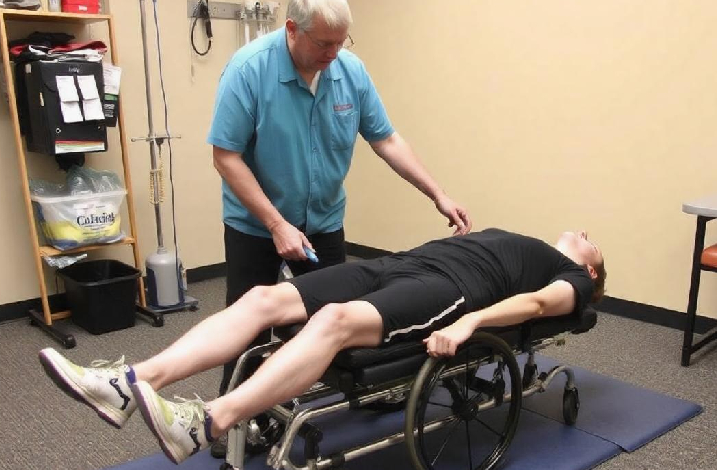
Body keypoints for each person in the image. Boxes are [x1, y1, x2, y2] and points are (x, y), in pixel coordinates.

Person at [38, 229, 605, 465]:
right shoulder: (529, 242)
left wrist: (468, 325)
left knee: (333, 321)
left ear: (589, 267)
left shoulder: (573, 281)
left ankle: (208, 421)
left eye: (590, 239)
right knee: (265, 298)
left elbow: (532, 308)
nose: (581, 228)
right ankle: (130, 383)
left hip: (453, 293)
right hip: (403, 262)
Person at [207, 0, 471, 450]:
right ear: (292, 29)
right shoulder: (249, 69)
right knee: (250, 323)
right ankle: (232, 423)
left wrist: (437, 193)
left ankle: (363, 393)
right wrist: (275, 224)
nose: (334, 53)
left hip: (324, 219)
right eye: (324, 43)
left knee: (343, 315)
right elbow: (225, 155)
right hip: (257, 222)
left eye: (341, 41)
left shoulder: (349, 70)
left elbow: (385, 138)